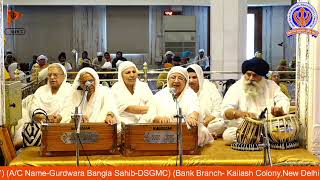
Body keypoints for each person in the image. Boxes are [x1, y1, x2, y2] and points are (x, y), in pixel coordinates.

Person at [221, 57, 290, 145]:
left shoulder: (271, 86)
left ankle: (255, 139)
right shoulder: (236, 87)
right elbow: (225, 110)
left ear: (262, 76)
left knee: (289, 130)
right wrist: (239, 113)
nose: (250, 78)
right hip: (244, 129)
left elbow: (283, 99)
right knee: (228, 136)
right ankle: (262, 139)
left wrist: (279, 109)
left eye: (255, 75)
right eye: (248, 74)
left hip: (268, 127)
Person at [13, 63, 73, 147]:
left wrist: (59, 118)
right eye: (49, 75)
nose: (52, 77)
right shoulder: (41, 90)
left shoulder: (70, 91)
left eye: (55, 75)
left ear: (63, 76)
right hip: (39, 126)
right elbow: (33, 108)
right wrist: (44, 117)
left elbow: (70, 109)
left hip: (61, 127)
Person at [154, 66, 213, 146]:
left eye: (180, 78)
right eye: (173, 77)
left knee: (200, 132)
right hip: (164, 129)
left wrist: (192, 117)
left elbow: (195, 109)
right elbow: (150, 114)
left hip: (185, 130)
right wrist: (158, 118)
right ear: (168, 80)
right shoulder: (159, 95)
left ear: (185, 82)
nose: (176, 81)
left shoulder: (190, 94)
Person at [187, 64, 226, 137]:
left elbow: (218, 109)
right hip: (192, 123)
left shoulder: (210, 87)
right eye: (188, 77)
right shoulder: (185, 90)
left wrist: (204, 122)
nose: (191, 81)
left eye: (194, 77)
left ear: (200, 77)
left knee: (222, 124)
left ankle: (202, 133)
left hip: (209, 123)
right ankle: (206, 134)